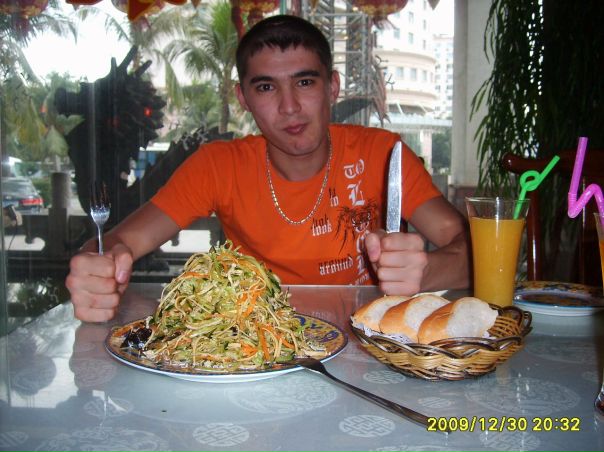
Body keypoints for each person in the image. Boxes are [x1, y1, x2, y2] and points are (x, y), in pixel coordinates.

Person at [66, 14, 470, 322]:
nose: (289, 106)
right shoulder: (218, 166)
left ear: (332, 87)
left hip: (367, 347)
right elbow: (115, 243)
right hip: (259, 347)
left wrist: (426, 271)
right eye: (266, 87)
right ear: (243, 98)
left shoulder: (383, 154)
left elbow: (473, 250)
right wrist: (97, 270)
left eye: (305, 83)